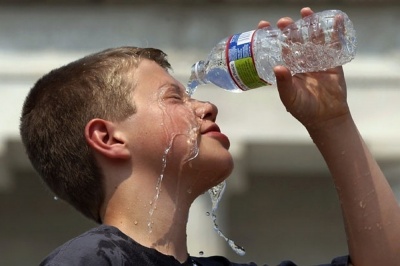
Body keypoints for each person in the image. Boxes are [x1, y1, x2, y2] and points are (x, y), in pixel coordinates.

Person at [19, 7, 400, 266]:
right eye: (174, 97)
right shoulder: (92, 259)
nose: (206, 107)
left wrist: (333, 121)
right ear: (109, 137)